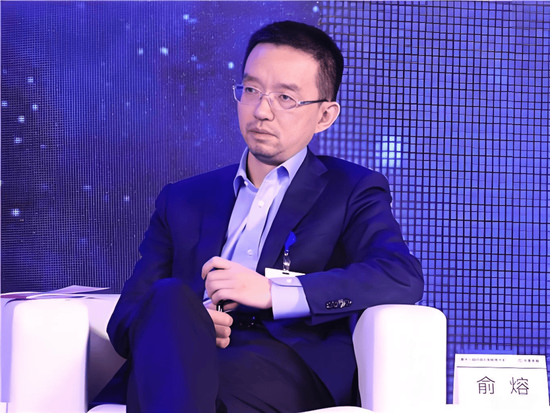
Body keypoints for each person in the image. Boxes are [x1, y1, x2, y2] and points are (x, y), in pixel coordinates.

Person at [102, 20, 424, 413]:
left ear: (325, 115)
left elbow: (399, 275)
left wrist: (274, 293)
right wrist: (187, 323)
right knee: (170, 297)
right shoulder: (183, 198)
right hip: (176, 358)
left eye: (286, 98)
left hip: (280, 364)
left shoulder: (352, 189)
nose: (261, 111)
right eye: (251, 90)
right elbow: (125, 319)